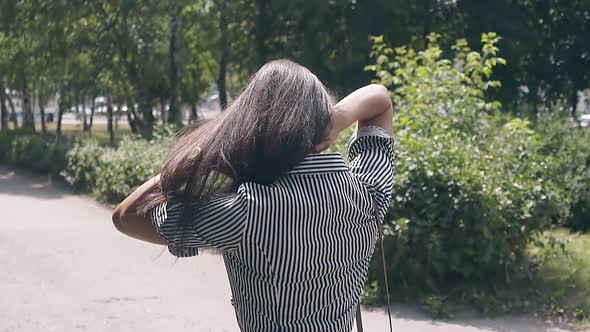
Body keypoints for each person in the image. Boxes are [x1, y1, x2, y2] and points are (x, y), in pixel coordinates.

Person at [112, 59, 394, 332]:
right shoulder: (367, 193)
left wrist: (204, 156)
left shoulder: (246, 212)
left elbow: (127, 217)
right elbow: (379, 98)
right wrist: (333, 122)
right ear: (323, 122)